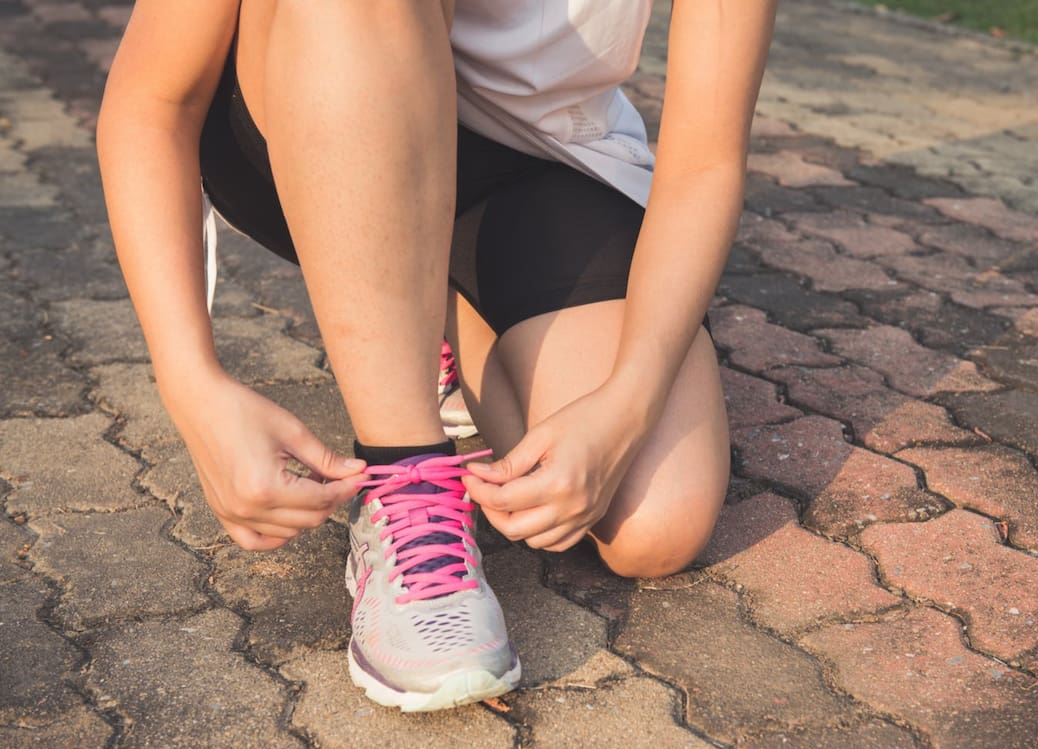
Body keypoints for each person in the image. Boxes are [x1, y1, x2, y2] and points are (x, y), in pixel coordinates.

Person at [97, 0, 776, 711]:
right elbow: (152, 100)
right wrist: (191, 382)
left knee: (653, 522)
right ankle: (405, 477)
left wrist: (628, 403)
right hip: (315, 94)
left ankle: (421, 310)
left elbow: (706, 159)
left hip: (540, 159)